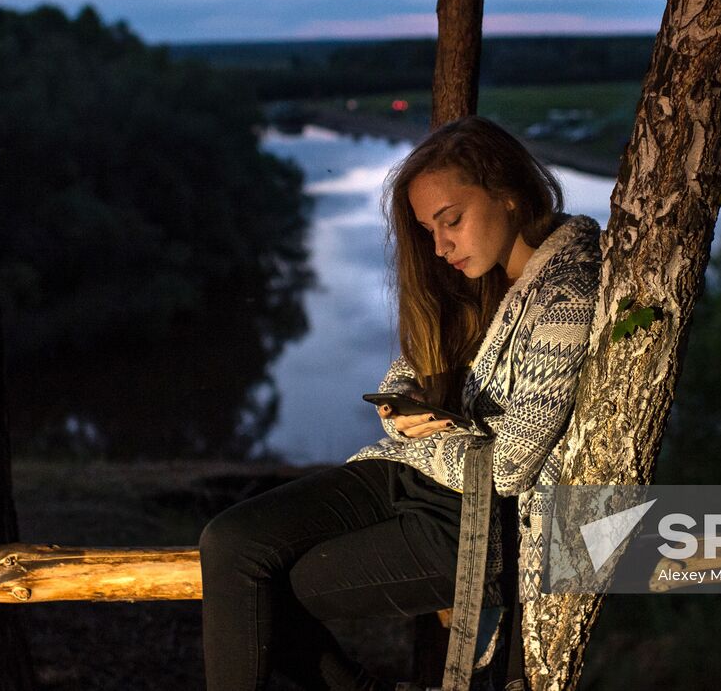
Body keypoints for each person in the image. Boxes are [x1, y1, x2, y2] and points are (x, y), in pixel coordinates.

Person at [199, 115, 602, 691]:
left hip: (477, 522)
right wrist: (406, 404)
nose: (439, 247)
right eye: (428, 230)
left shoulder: (566, 292)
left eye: (451, 221)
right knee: (230, 542)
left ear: (510, 196)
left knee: (264, 584)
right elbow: (407, 373)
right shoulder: (486, 281)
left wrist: (432, 436)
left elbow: (511, 467)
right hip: (413, 478)